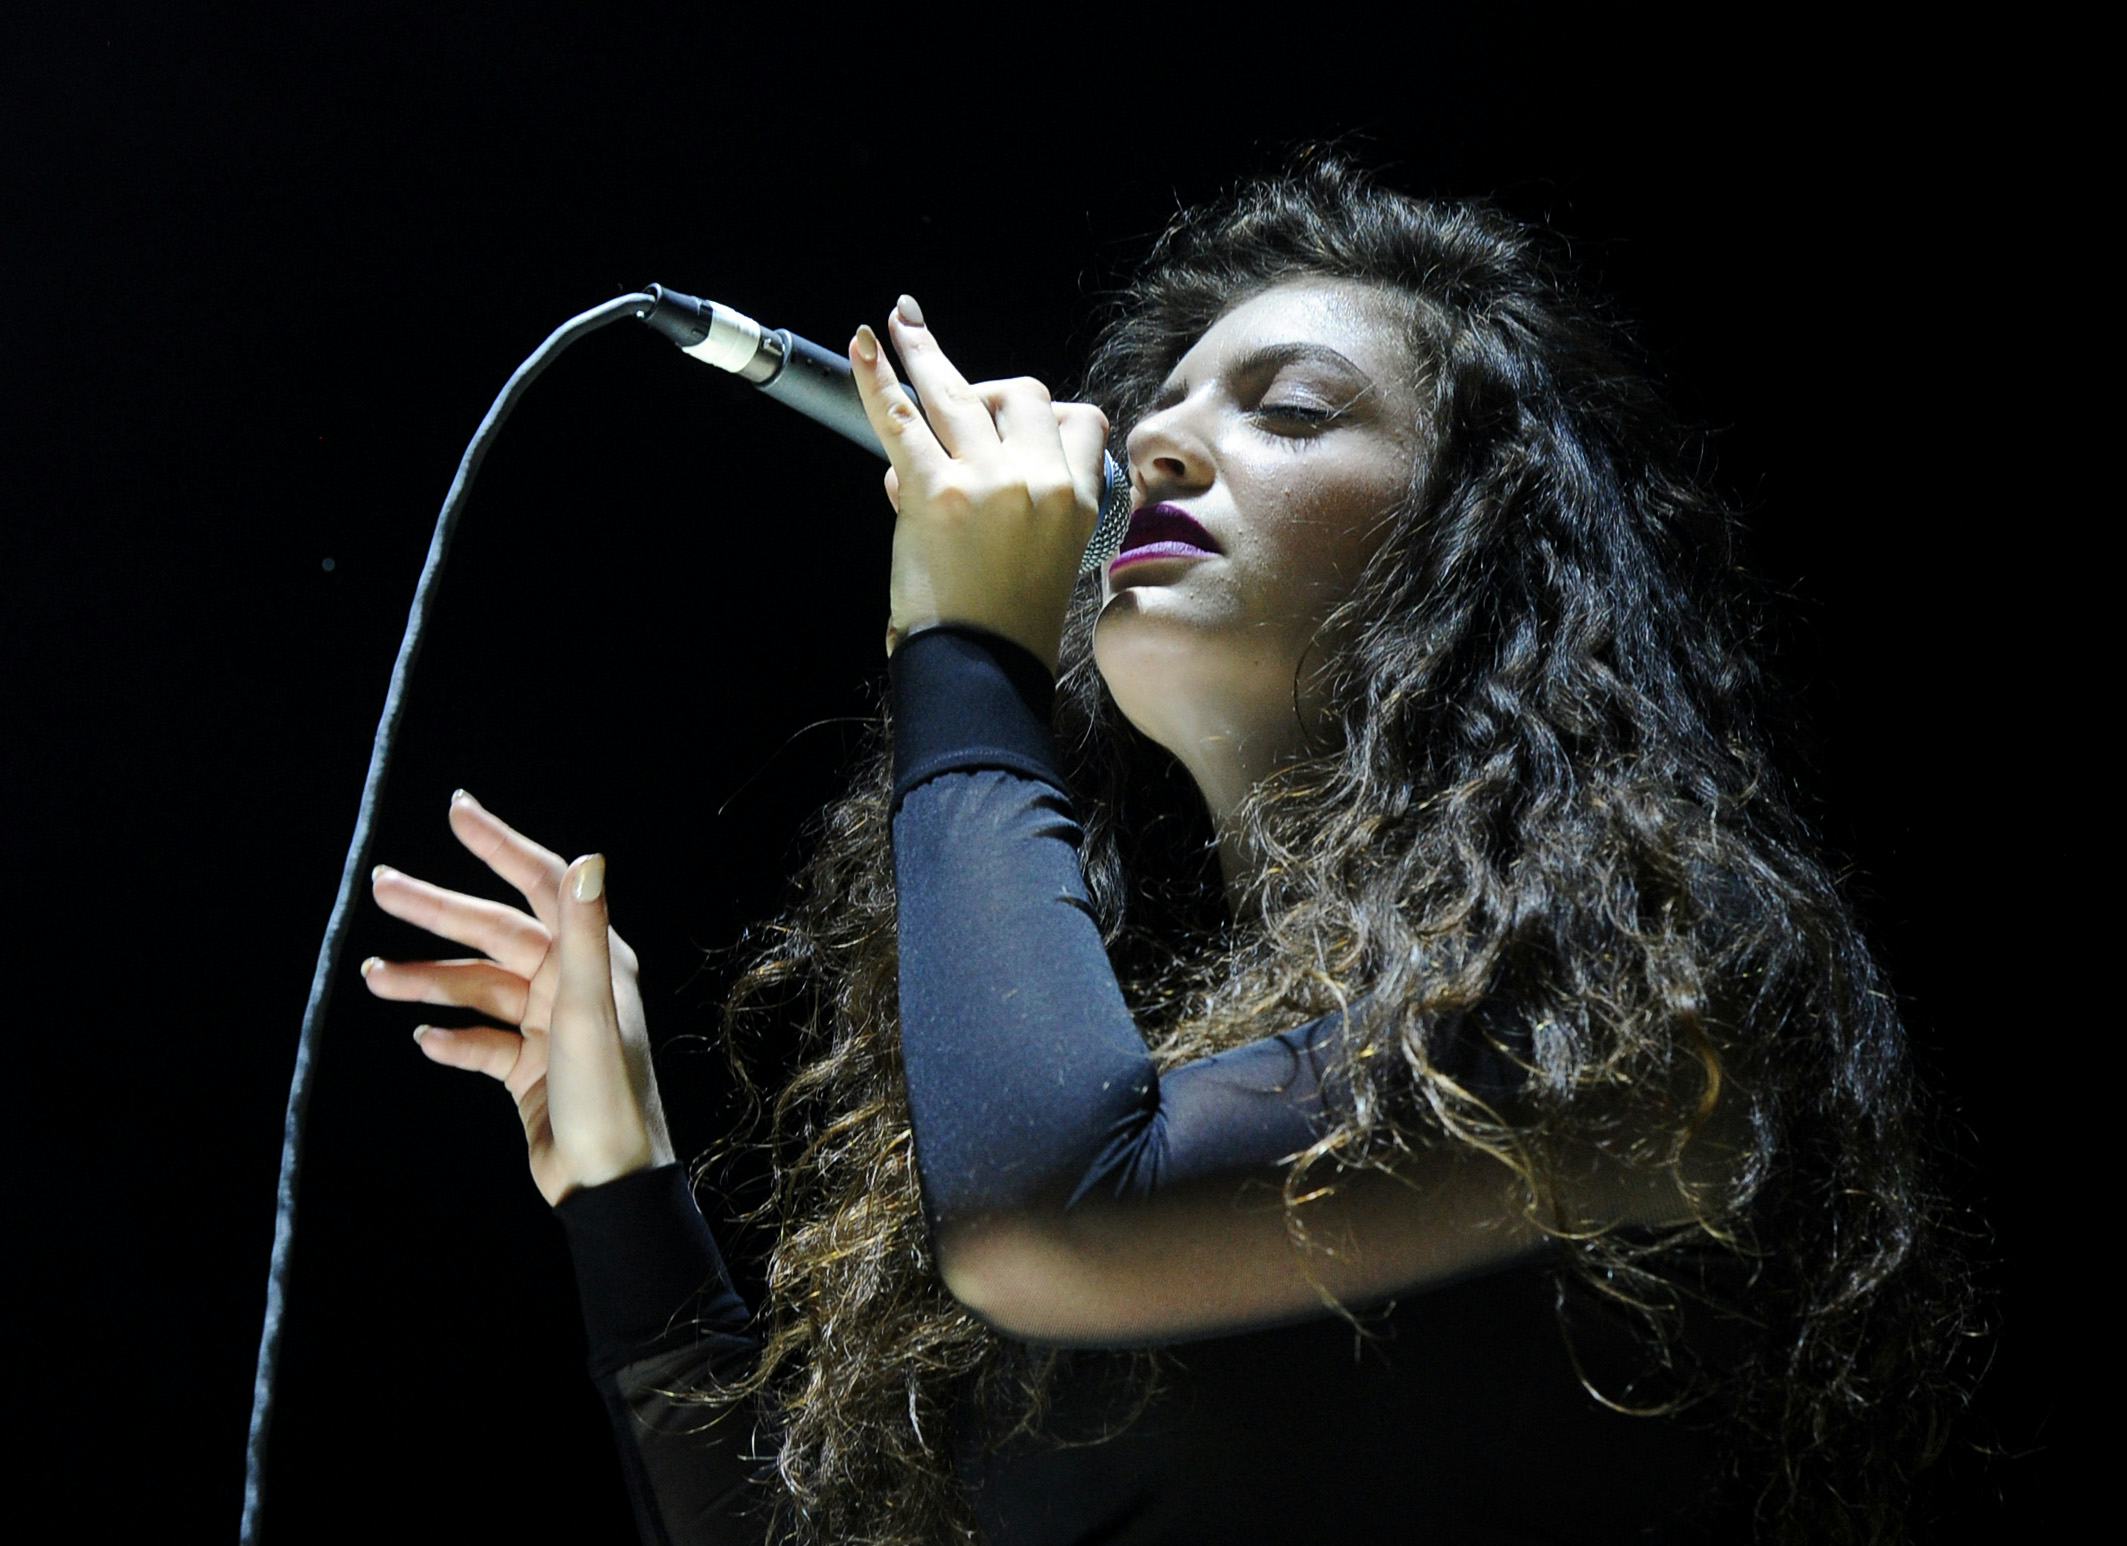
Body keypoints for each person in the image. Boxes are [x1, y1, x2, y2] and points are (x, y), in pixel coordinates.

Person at [359, 151, 1981, 1543]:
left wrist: (965, 654)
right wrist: (625, 1184)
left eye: (1292, 409)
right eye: (1158, 412)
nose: (1151, 446)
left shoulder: (1664, 993)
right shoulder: (1163, 1059)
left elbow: (1045, 1211)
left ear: (1480, 547)